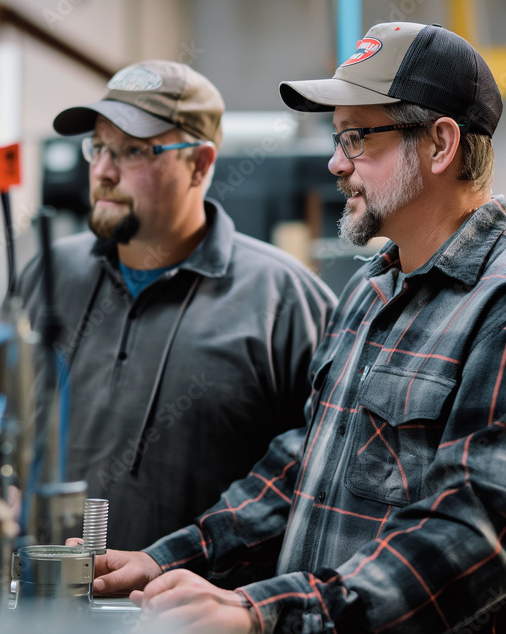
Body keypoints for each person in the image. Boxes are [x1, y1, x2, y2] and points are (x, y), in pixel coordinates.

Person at [83, 23, 506, 633]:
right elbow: (300, 469)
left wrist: (266, 613)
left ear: (440, 145)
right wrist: (165, 560)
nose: (336, 163)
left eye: (357, 138)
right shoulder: (371, 290)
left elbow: (471, 539)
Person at [18, 60, 337, 552]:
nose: (103, 170)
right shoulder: (49, 275)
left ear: (201, 164)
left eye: (133, 151)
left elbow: (318, 475)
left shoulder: (285, 301)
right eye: (98, 147)